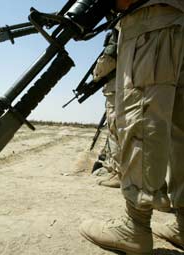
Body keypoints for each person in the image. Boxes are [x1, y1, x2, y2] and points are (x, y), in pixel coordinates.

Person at [80, 1, 184, 254]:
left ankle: (135, 225)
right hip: (177, 20)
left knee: (143, 120)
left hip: (153, 21)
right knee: (180, 129)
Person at [92, 30, 121, 188]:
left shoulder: (118, 29)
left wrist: (96, 74)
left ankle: (119, 174)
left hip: (118, 87)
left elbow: (109, 59)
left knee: (117, 130)